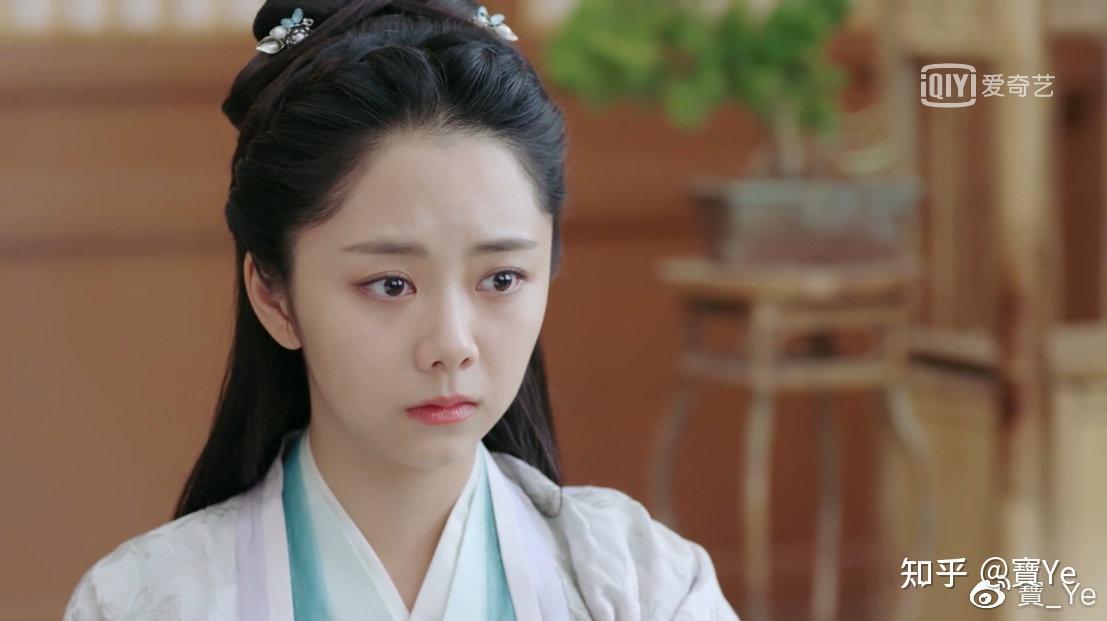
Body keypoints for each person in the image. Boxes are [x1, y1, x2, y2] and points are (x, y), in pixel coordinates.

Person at [63, 1, 739, 619]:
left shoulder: (641, 582)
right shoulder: (145, 599)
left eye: (501, 278)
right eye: (390, 284)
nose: (451, 344)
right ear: (274, 295)